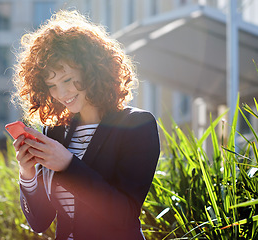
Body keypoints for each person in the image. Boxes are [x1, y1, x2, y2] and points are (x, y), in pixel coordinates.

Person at [12, 10, 160, 240]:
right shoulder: (55, 132)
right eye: (51, 85)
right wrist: (27, 173)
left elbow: (124, 213)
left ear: (92, 70)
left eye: (67, 80)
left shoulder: (137, 125)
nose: (61, 93)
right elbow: (40, 222)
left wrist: (68, 165)